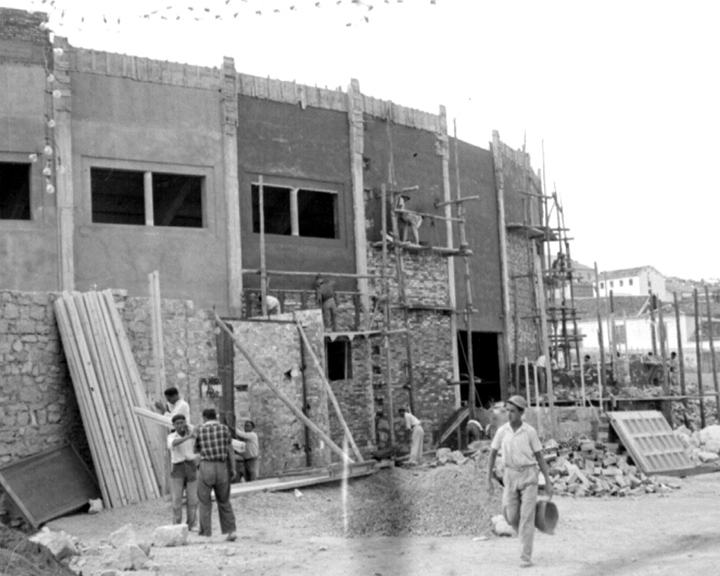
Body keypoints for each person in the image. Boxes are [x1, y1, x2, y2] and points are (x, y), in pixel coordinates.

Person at [487, 395, 553, 568]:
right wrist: (488, 479)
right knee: (510, 515)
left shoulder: (529, 432)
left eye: (513, 411)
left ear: (521, 412)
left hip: (529, 475)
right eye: (507, 411)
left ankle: (525, 556)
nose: (509, 415)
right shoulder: (502, 431)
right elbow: (492, 453)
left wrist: (547, 480)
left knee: (526, 518)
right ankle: (525, 533)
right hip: (509, 476)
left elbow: (539, 456)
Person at [195, 408, 237, 541]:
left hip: (206, 465)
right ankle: (231, 531)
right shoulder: (225, 429)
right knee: (224, 501)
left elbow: (195, 449)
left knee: (204, 502)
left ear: (204, 418)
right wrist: (233, 468)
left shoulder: (199, 430)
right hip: (222, 466)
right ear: (215, 417)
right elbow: (230, 450)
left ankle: (206, 533)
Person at [166, 414, 198, 530]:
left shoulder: (191, 433)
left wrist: (190, 431)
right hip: (178, 467)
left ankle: (192, 524)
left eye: (182, 422)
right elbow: (173, 444)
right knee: (177, 499)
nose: (180, 425)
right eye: (177, 423)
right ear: (173, 425)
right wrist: (189, 436)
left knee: (192, 498)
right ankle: (177, 525)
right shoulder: (171, 436)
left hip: (190, 465)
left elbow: (198, 433)